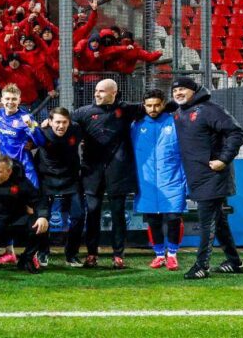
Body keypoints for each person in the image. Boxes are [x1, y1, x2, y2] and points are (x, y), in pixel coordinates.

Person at [170, 77, 243, 280]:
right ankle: (235, 262)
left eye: (183, 89)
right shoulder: (179, 111)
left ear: (194, 91)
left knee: (206, 222)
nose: (178, 93)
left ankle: (201, 266)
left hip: (213, 175)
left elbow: (236, 133)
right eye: (175, 90)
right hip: (198, 175)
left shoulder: (209, 109)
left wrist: (223, 159)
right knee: (218, 221)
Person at [71, 78, 145, 269]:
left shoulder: (126, 109)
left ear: (114, 92)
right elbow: (62, 121)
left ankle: (118, 255)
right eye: (96, 90)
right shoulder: (84, 112)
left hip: (118, 171)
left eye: (102, 91)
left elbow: (154, 107)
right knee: (93, 213)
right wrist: (47, 122)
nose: (97, 94)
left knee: (118, 214)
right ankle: (91, 254)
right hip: (92, 171)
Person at [132, 89, 187, 272]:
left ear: (164, 104)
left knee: (173, 218)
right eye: (149, 105)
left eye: (157, 105)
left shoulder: (176, 123)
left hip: (172, 180)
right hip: (146, 182)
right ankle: (158, 255)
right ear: (143, 105)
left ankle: (172, 255)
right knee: (153, 220)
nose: (153, 109)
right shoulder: (136, 125)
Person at [0, 154, 49, 274]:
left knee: (40, 226)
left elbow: (38, 199)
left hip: (14, 221)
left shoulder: (21, 181)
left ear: (9, 171)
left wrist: (42, 216)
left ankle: (26, 259)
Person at [34, 107, 86, 267]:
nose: (61, 126)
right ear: (50, 122)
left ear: (69, 122)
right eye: (57, 122)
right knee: (43, 218)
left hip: (70, 179)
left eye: (64, 122)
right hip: (46, 180)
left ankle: (71, 254)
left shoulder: (76, 129)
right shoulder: (41, 132)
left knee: (78, 216)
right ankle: (42, 253)